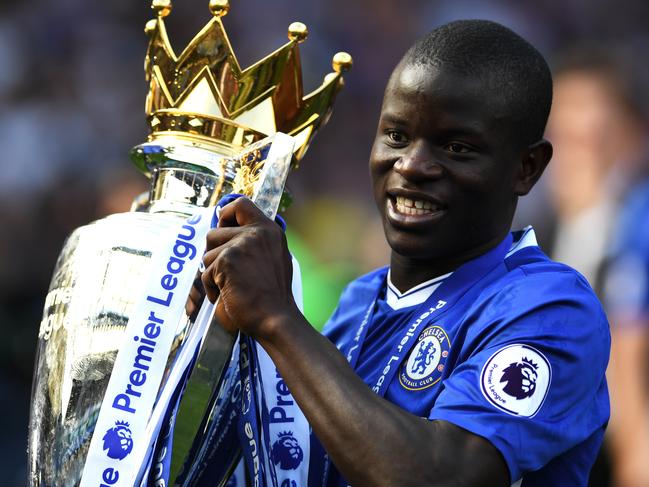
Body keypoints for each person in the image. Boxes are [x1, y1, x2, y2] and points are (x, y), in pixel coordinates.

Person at [197, 20, 610, 486]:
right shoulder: (358, 302)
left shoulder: (550, 308)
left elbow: (441, 477)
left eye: (456, 147)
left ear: (526, 167)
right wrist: (212, 342)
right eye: (396, 135)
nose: (411, 165)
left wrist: (276, 317)